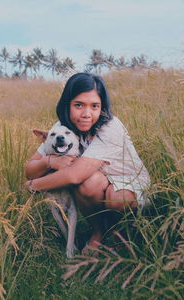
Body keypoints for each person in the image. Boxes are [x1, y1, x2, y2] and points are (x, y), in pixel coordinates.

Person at [25, 72, 151, 253]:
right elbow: (31, 168)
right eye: (78, 105)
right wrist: (50, 161)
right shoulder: (61, 128)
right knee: (89, 182)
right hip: (99, 181)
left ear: (102, 107)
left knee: (114, 196)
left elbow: (73, 175)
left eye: (94, 106)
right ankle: (98, 232)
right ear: (66, 105)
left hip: (130, 183)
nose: (86, 114)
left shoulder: (110, 126)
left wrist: (32, 185)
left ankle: (118, 232)